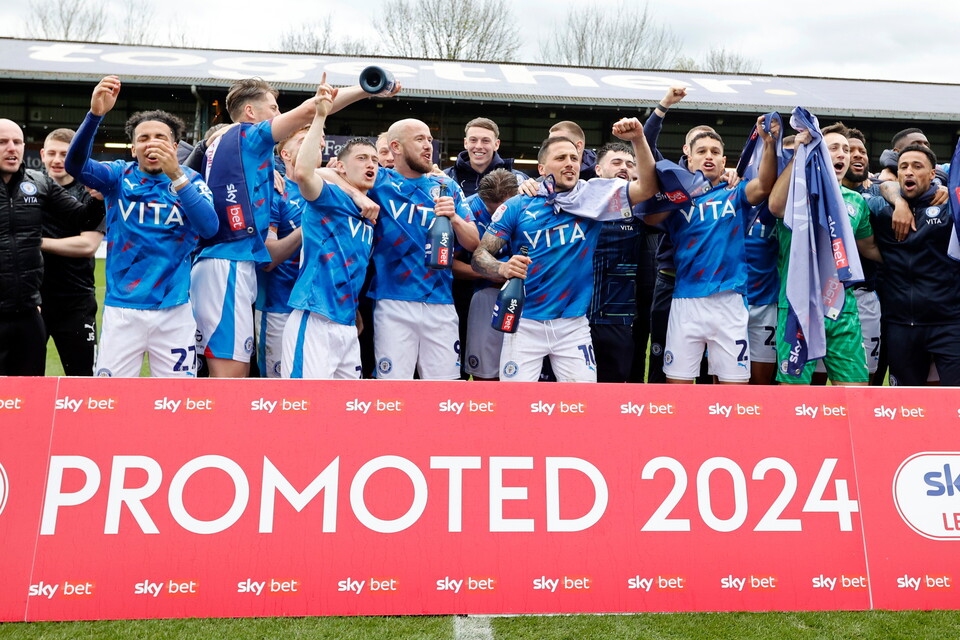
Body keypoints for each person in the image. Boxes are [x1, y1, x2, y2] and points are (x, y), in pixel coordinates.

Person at [191, 74, 392, 378]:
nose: (277, 115)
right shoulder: (248, 136)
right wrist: (366, 89)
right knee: (230, 376)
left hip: (232, 261)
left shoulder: (231, 145)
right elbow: (313, 109)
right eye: (273, 108)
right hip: (229, 261)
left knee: (232, 371)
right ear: (250, 113)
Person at [472, 117, 657, 382]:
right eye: (561, 158)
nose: (570, 163)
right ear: (541, 167)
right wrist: (502, 267)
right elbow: (480, 256)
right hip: (524, 323)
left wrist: (639, 139)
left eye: (574, 157)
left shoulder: (593, 196)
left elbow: (648, 188)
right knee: (516, 405)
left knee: (582, 406)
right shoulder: (518, 205)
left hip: (573, 325)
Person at [65, 75, 219, 377]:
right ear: (133, 148)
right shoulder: (117, 177)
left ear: (175, 146)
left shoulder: (192, 181)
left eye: (160, 137)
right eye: (143, 138)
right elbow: (75, 166)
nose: (152, 143)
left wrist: (177, 176)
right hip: (123, 311)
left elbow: (209, 228)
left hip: (174, 310)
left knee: (177, 401)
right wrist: (95, 116)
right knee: (110, 401)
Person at [333, 118, 479, 380]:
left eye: (429, 140)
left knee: (445, 392)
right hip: (392, 301)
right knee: (393, 389)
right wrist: (355, 194)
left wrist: (454, 218)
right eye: (419, 139)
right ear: (396, 147)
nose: (428, 146)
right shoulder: (379, 181)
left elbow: (474, 243)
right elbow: (319, 174)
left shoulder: (447, 186)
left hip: (441, 303)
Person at [642, 118, 782, 385]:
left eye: (715, 152)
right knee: (677, 388)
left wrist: (768, 142)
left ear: (723, 161)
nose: (709, 156)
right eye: (702, 152)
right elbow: (648, 217)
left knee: (733, 388)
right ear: (689, 159)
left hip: (730, 301)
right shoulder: (676, 199)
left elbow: (764, 185)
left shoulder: (735, 192)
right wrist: (673, 191)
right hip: (686, 301)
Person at [768, 123, 880, 386]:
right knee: (794, 397)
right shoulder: (795, 192)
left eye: (845, 149)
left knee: (855, 392)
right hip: (798, 305)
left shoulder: (856, 201)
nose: (843, 154)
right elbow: (774, 206)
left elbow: (869, 247)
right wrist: (798, 153)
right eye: (833, 148)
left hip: (842, 306)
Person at [282, 81, 377, 379]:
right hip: (314, 317)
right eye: (362, 158)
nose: (371, 164)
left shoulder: (370, 214)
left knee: (345, 415)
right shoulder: (328, 197)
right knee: (303, 411)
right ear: (342, 168)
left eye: (374, 159)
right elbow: (305, 172)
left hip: (347, 324)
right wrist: (321, 116)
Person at [0, 118, 98, 375]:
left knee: (32, 391)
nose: (11, 148)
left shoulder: (39, 184)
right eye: (2, 142)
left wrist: (100, 197)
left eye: (17, 142)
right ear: (42, 154)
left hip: (34, 309)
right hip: (24, 302)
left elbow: (83, 221)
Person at [867, 145, 960, 386]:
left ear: (933, 174)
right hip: (900, 326)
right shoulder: (880, 209)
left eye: (917, 167)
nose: (909, 172)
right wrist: (898, 201)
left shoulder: (951, 209)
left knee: (954, 402)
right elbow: (877, 186)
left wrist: (950, 192)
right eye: (903, 167)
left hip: (948, 324)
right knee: (905, 405)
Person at [38, 128, 106, 376]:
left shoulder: (93, 193)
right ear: (43, 154)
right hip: (31, 300)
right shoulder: (27, 190)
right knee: (23, 377)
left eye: (65, 154)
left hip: (75, 301)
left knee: (83, 378)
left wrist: (33, 241)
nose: (57, 160)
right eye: (52, 153)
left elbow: (87, 246)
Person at [253, 126, 308, 377]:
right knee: (278, 391)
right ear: (285, 154)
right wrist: (309, 225)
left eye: (317, 141)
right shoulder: (275, 192)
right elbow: (268, 258)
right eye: (303, 141)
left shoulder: (330, 193)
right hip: (278, 307)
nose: (313, 145)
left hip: (319, 313)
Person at [456, 168, 521, 381]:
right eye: (490, 210)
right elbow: (447, 262)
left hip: (530, 299)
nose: (497, 217)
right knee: (484, 371)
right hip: (486, 293)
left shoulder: (531, 202)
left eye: (503, 209)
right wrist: (489, 273)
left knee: (521, 370)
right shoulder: (469, 207)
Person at [588, 141, 643, 383]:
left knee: (613, 390)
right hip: (573, 317)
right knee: (571, 392)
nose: (624, 167)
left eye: (630, 164)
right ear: (598, 169)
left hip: (618, 317)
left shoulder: (641, 208)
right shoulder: (577, 201)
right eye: (617, 162)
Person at [444, 117, 527, 196]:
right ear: (466, 143)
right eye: (473, 140)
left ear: (496, 144)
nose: (479, 146)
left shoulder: (519, 181)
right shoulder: (446, 178)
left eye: (485, 141)